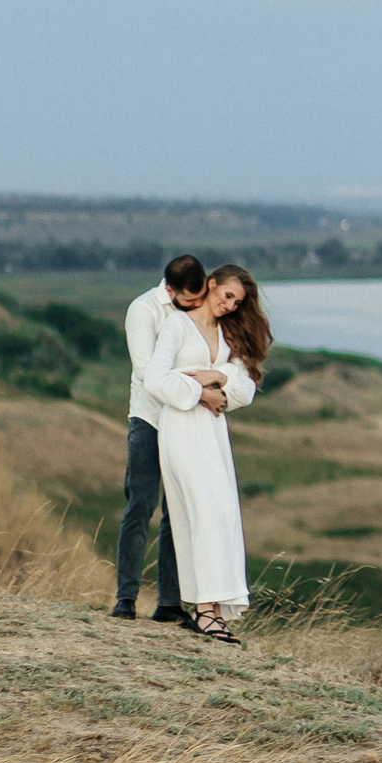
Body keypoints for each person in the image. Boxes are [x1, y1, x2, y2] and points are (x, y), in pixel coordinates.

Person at [142, 262, 273, 644]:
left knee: (221, 514)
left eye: (237, 302)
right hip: (182, 427)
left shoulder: (228, 334)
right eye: (227, 295)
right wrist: (200, 392)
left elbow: (245, 390)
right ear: (211, 284)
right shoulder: (177, 325)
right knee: (202, 513)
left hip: (213, 433)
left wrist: (219, 378)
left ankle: (211, 609)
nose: (230, 305)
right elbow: (155, 379)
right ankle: (204, 611)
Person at [112, 254, 217, 623]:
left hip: (187, 422)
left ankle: (170, 604)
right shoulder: (143, 310)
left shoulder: (202, 305)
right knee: (141, 504)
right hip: (150, 417)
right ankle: (126, 599)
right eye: (189, 300)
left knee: (179, 512)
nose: (196, 305)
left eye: (200, 297)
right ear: (170, 291)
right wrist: (201, 387)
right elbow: (147, 373)